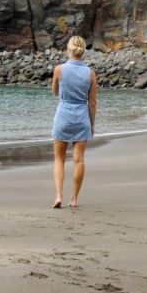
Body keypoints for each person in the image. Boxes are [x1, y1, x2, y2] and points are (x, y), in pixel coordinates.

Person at [51, 34, 97, 208]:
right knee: (79, 160)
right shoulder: (90, 73)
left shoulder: (59, 69)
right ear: (82, 51)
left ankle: (58, 196)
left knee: (59, 159)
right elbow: (92, 102)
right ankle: (74, 199)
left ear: (69, 50)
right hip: (82, 117)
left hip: (63, 115)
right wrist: (92, 124)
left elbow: (55, 92)